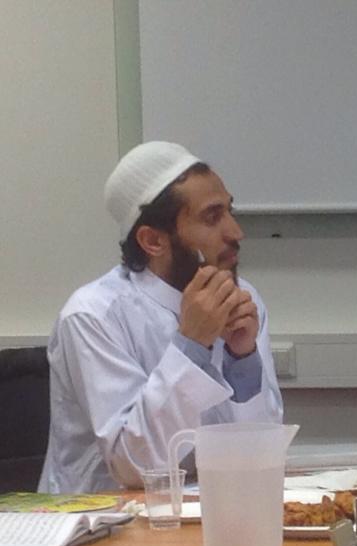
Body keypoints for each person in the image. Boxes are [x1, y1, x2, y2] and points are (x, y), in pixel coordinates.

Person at [40, 141, 283, 493]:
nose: (235, 232)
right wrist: (191, 346)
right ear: (153, 240)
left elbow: (262, 453)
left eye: (230, 211)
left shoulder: (242, 297)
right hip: (105, 517)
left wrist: (242, 358)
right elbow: (135, 467)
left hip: (211, 507)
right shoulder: (92, 315)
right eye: (212, 217)